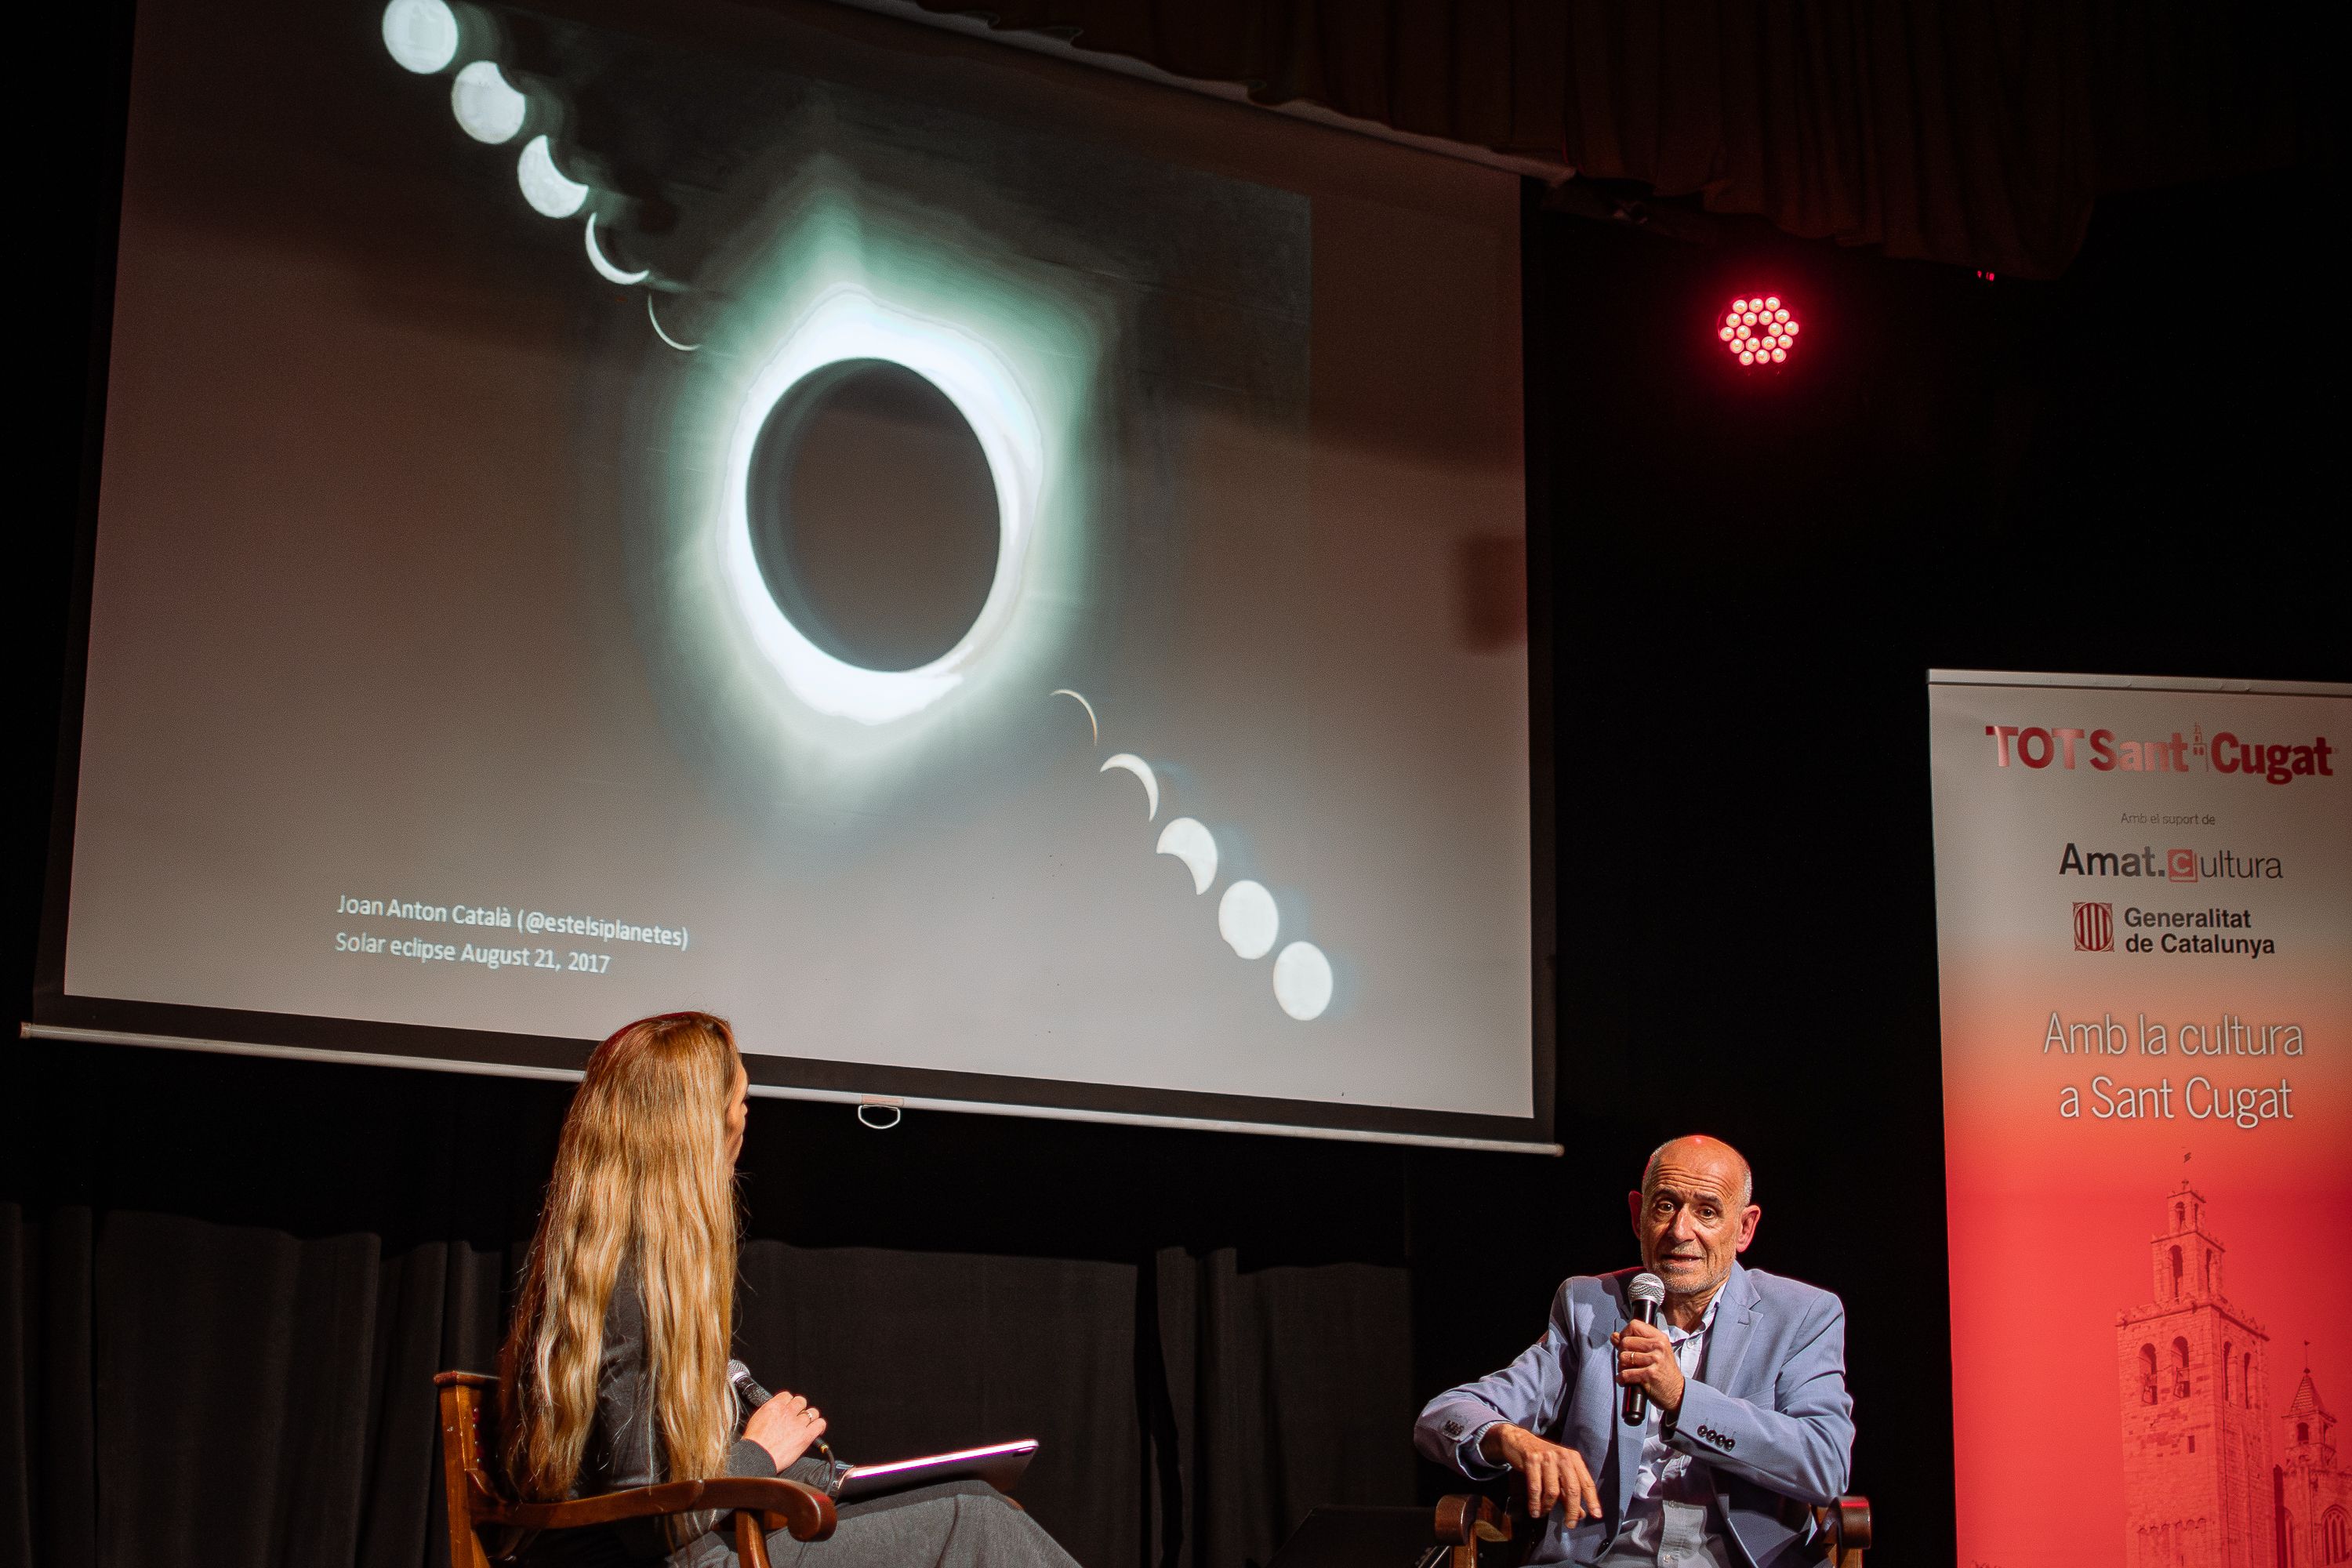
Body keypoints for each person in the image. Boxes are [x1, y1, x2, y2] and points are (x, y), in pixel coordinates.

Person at [499, 1011, 1082, 1568]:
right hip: (692, 1559)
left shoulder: (620, 1270)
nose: (747, 1117)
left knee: (968, 1502)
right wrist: (760, 1451)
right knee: (971, 1521)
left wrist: (842, 1480)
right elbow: (649, 1522)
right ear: (702, 1124)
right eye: (741, 1100)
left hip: (708, 1548)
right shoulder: (634, 1292)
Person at [1414, 1136, 1852, 1568]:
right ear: (1636, 1215)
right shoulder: (1589, 1306)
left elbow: (1825, 1463)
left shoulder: (1802, 1314)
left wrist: (1682, 1399)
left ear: (1744, 1228)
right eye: (1665, 1206)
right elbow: (1446, 1414)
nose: (1681, 1231)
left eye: (1707, 1212)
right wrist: (1513, 1439)